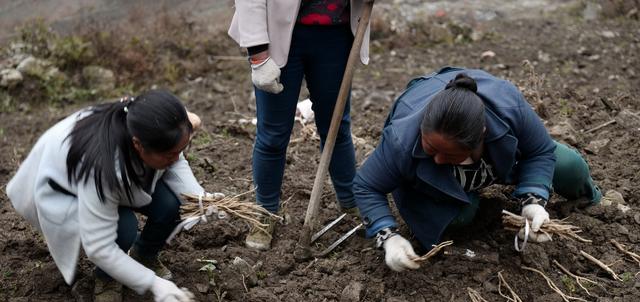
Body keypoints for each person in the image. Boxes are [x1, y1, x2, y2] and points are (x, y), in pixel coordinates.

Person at [353, 67, 601, 272]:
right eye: (430, 149)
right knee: (459, 220)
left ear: (481, 136)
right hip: (431, 182)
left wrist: (534, 201)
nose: (438, 159)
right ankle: (470, 203)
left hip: (499, 162)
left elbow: (539, 151)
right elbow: (366, 185)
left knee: (570, 168)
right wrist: (388, 236)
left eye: (449, 154)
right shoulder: (401, 140)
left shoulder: (507, 107)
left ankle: (599, 203)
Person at [6, 90, 221, 302]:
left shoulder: (152, 125)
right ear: (138, 145)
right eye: (169, 154)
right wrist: (154, 284)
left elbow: (175, 161)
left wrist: (199, 198)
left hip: (114, 179)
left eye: (179, 151)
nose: (176, 158)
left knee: (171, 204)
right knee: (123, 228)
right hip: (66, 190)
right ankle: (107, 278)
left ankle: (143, 255)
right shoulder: (102, 168)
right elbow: (99, 247)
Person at [228, 0, 371, 250]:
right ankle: (265, 212)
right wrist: (258, 55)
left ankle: (350, 202)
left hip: (335, 36)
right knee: (273, 135)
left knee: (336, 128)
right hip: (278, 35)